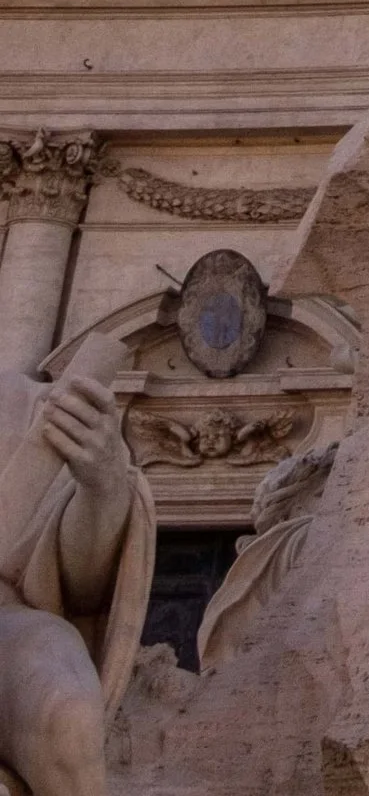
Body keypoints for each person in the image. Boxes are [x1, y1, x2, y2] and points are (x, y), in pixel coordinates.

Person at [0, 341, 154, 796]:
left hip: (4, 628)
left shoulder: (27, 410)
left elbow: (80, 590)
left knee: (66, 707)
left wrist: (102, 484)